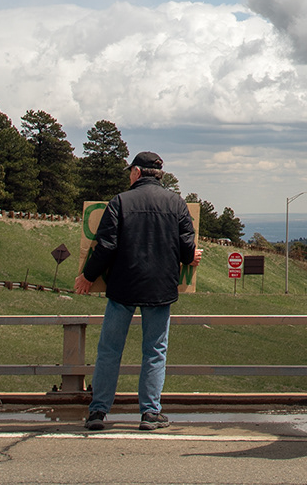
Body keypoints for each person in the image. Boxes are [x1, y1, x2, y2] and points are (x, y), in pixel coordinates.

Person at [75, 150, 202, 431]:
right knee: (155, 351)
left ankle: (98, 412)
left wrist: (87, 276)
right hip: (160, 289)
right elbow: (185, 249)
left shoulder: (120, 202)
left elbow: (105, 246)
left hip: (122, 287)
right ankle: (149, 413)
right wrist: (192, 255)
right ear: (159, 175)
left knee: (109, 350)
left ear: (136, 173)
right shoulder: (176, 203)